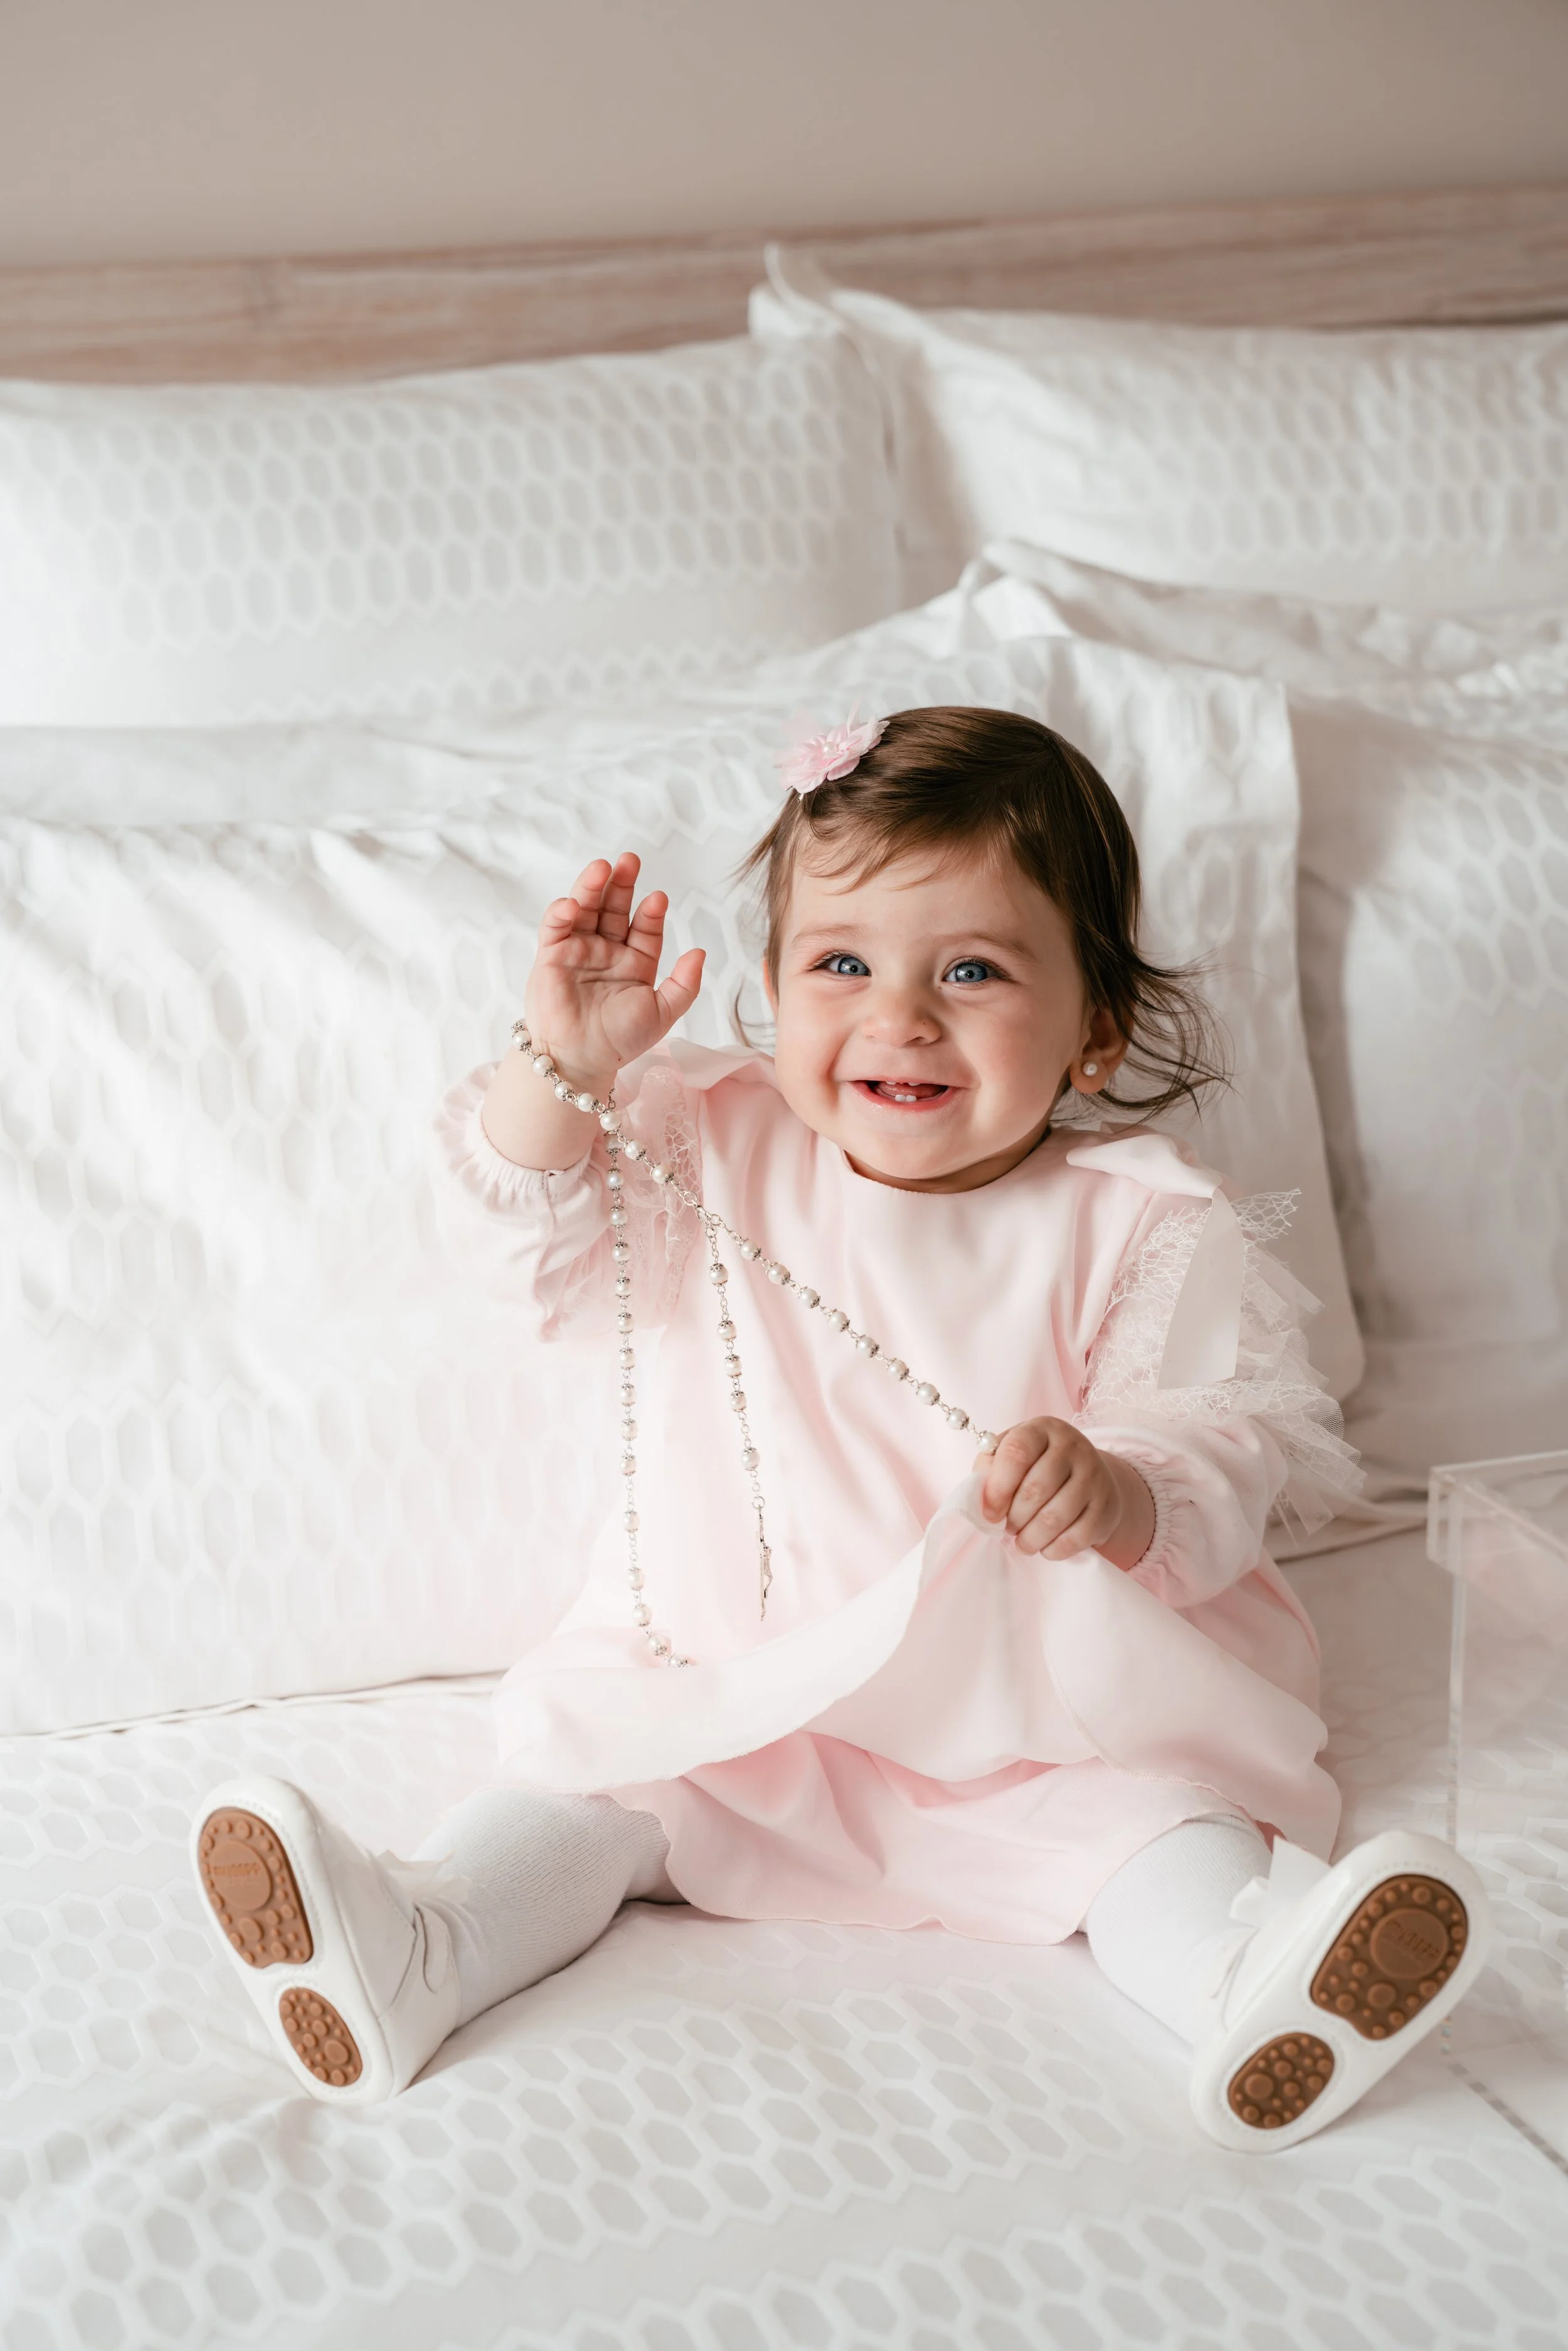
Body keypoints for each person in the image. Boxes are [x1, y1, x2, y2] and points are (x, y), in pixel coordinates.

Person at [191, 706, 1485, 2148]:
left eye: (975, 970)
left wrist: (1119, 1485)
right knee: (586, 1777)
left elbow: (1228, 1435)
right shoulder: (706, 1139)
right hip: (734, 1678)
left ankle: (1243, 1974)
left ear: (1094, 1028)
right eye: (842, 962)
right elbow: (522, 1242)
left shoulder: (1141, 1217)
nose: (900, 1016)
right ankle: (421, 1940)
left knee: (1156, 1825)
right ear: (772, 985)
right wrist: (561, 1065)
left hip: (1037, 1719)